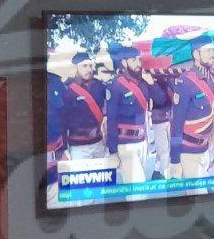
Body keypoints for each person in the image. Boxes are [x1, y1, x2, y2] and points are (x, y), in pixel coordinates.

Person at [170, 33, 214, 185]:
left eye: (212, 50)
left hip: (205, 148)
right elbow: (176, 124)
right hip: (189, 152)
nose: (212, 54)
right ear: (196, 54)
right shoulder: (185, 81)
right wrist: (175, 160)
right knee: (196, 194)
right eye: (207, 50)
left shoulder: (212, 78)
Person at [105, 42, 152, 186]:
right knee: (137, 189)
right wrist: (113, 151)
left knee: (141, 187)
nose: (138, 63)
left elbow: (161, 99)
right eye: (133, 60)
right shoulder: (116, 85)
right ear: (124, 63)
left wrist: (152, 83)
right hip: (126, 144)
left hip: (143, 142)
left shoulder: (142, 82)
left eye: (139, 59)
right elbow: (111, 119)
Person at [61, 50, 109, 166]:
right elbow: (62, 121)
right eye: (84, 66)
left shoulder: (100, 86)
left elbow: (108, 108)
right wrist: (64, 148)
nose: (89, 69)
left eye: (90, 65)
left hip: (99, 143)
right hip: (78, 147)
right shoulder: (67, 90)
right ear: (75, 68)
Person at [143, 58, 173, 179]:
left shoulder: (168, 77)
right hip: (159, 120)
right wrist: (152, 83)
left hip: (169, 117)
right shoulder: (151, 79)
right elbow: (160, 99)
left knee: (165, 150)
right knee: (163, 151)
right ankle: (163, 175)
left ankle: (156, 172)